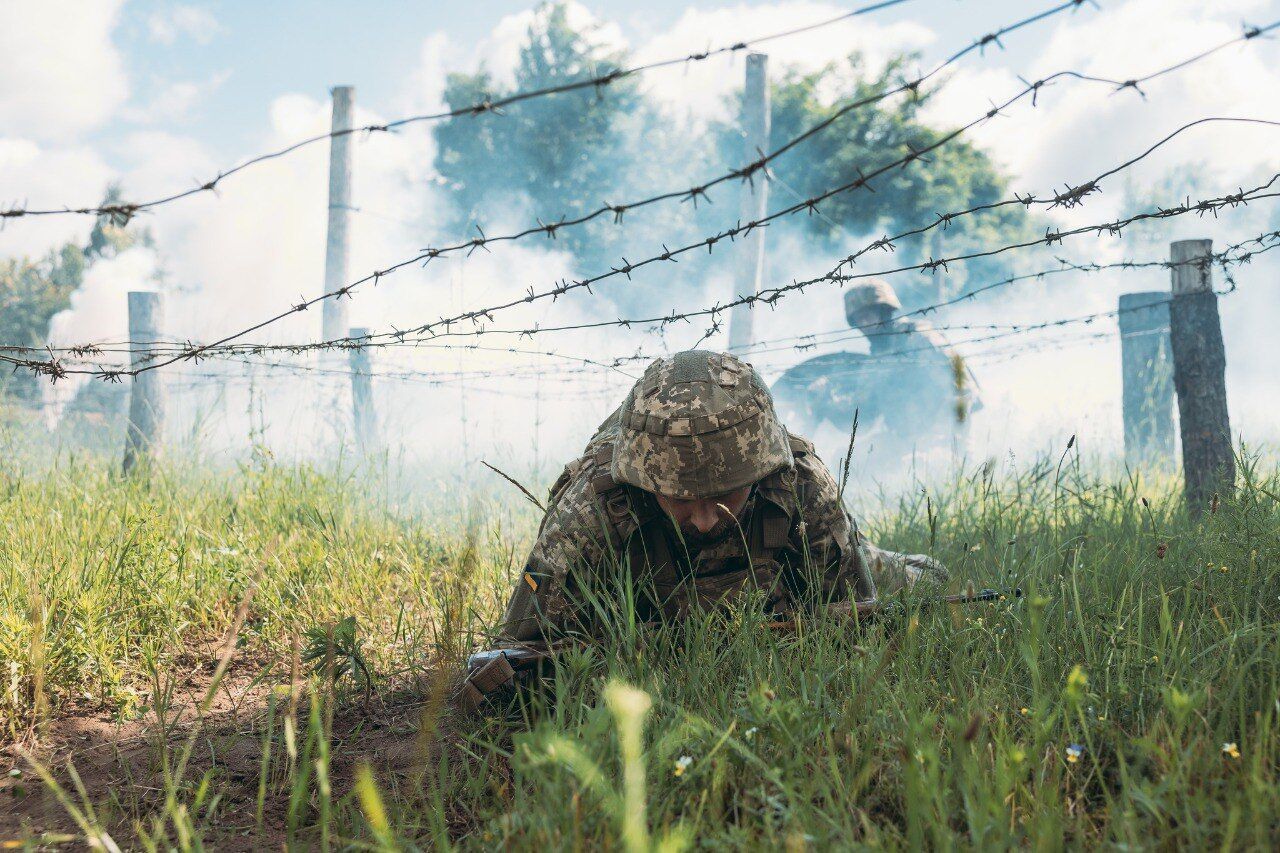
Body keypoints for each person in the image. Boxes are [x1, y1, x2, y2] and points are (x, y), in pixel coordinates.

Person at [496, 349, 945, 644]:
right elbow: (521, 651)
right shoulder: (591, 506)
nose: (707, 519)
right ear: (646, 484)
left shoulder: (798, 479)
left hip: (792, 567)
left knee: (905, 581)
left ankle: (921, 570)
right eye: (681, 498)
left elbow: (856, 620)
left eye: (725, 494)